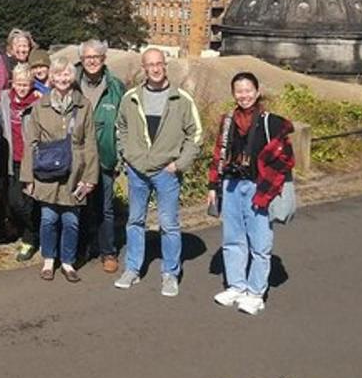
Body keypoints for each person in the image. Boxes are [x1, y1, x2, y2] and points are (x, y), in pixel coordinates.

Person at [114, 48, 203, 297]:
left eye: (158, 64)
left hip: (167, 171)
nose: (154, 69)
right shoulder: (131, 97)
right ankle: (132, 269)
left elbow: (195, 135)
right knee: (135, 221)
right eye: (149, 65)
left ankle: (170, 274)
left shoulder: (181, 99)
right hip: (137, 170)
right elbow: (120, 127)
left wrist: (179, 164)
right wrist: (127, 156)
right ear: (143, 68)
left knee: (169, 224)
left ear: (165, 65)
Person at [207, 73, 294, 315]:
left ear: (257, 91)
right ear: (233, 94)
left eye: (248, 90)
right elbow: (218, 156)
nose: (243, 95)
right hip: (232, 185)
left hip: (259, 186)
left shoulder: (271, 123)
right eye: (239, 91)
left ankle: (256, 292)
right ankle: (236, 286)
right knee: (232, 238)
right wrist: (213, 186)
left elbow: (286, 158)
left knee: (260, 242)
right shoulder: (228, 122)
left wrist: (268, 182)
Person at [21, 57, 99, 282]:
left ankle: (67, 261)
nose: (62, 78)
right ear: (51, 78)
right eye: (58, 74)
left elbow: (90, 143)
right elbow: (31, 143)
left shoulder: (84, 105)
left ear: (72, 77)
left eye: (66, 74)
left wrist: (90, 178)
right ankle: (48, 260)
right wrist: (28, 177)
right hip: (47, 172)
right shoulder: (40, 106)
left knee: (71, 221)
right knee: (48, 219)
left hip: (75, 171)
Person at [75, 40, 126, 273]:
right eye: (87, 57)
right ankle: (80, 250)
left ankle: (108, 252)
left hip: (105, 156)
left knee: (105, 207)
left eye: (96, 57)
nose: (92, 61)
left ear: (104, 59)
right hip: (77, 158)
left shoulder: (116, 87)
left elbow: (124, 125)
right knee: (79, 205)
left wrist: (120, 158)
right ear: (82, 61)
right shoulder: (72, 83)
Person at [0, 64, 43, 262]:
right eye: (18, 83)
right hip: (11, 159)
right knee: (14, 201)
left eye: (26, 84)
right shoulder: (5, 99)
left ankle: (30, 239)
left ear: (32, 84)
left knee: (29, 201)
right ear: (12, 83)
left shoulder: (39, 102)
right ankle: (35, 230)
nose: (22, 88)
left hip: (31, 160)